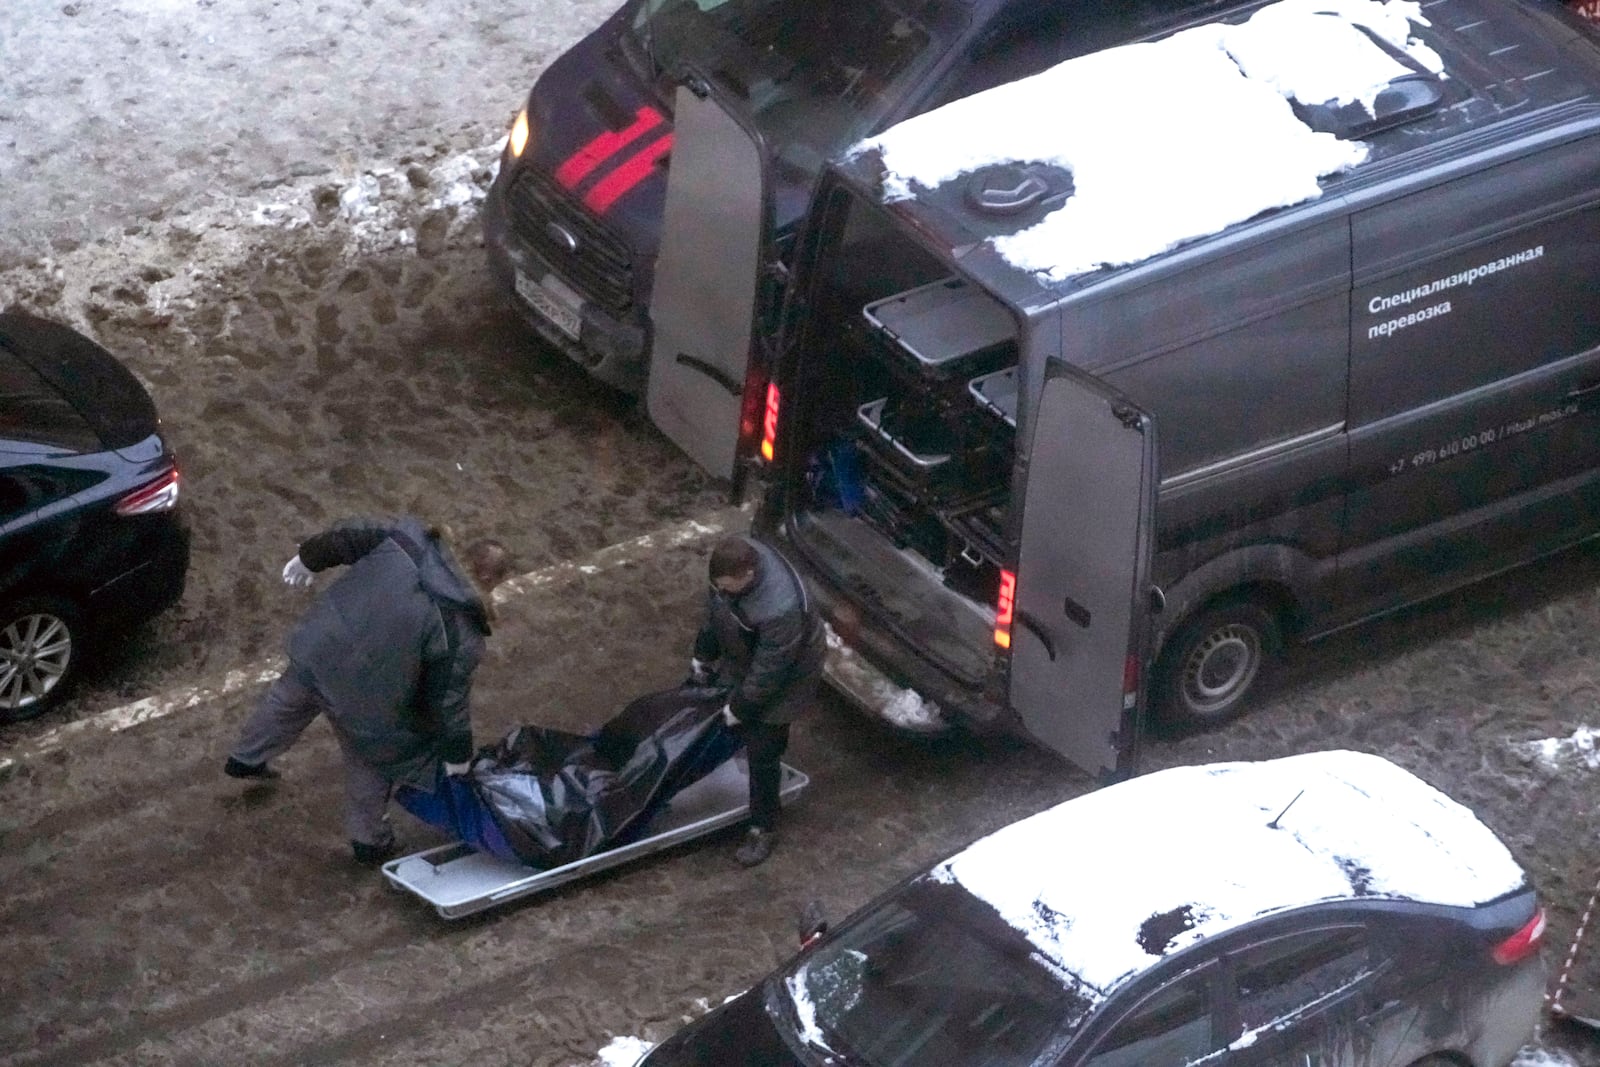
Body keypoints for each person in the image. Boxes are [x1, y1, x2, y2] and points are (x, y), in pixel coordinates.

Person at [223, 516, 515, 865]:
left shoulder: (407, 539)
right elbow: (446, 704)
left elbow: (346, 538)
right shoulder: (463, 634)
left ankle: (245, 757)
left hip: (323, 646)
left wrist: (309, 558)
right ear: (489, 580)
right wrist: (456, 757)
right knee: (373, 765)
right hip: (369, 704)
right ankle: (369, 841)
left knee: (286, 702)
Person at [690, 535, 825, 867]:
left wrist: (741, 709)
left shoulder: (781, 609)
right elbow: (716, 612)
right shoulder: (729, 575)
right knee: (709, 703)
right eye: (716, 586)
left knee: (764, 749)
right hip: (748, 646)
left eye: (726, 587)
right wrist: (704, 654)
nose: (720, 591)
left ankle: (762, 826)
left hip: (789, 673)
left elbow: (770, 672)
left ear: (748, 575)